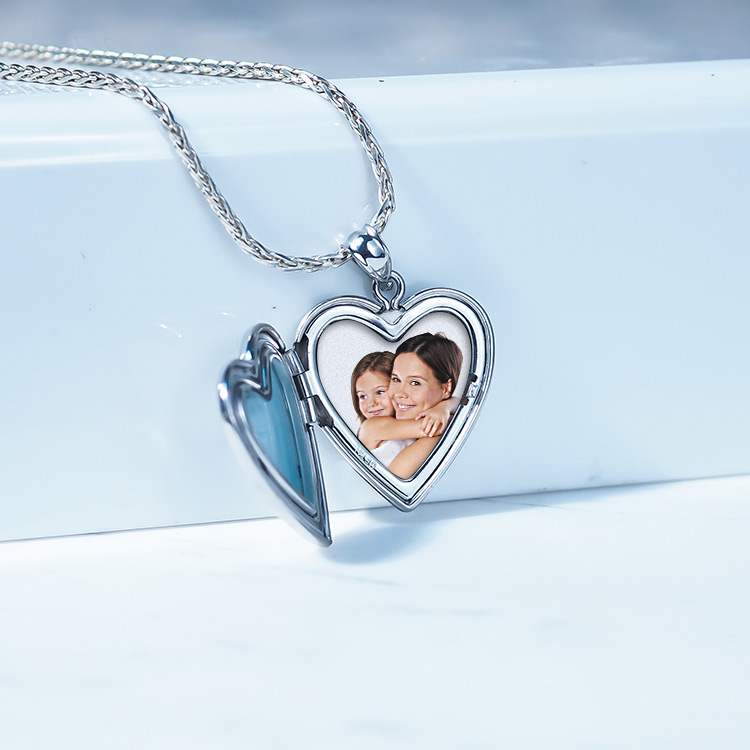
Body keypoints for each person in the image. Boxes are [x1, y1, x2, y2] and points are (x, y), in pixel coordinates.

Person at [353, 332, 463, 478]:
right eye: (396, 379)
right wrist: (449, 408)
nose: (399, 393)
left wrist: (446, 407)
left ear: (446, 389)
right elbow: (439, 427)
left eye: (415, 383)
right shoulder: (372, 427)